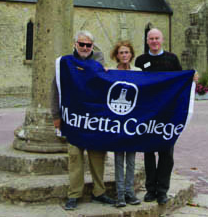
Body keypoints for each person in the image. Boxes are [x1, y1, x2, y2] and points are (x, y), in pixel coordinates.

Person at [52, 30, 115, 210]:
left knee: (97, 157)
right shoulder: (63, 64)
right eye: (82, 44)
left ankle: (99, 192)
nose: (85, 48)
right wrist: (56, 116)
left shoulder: (99, 64)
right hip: (73, 120)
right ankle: (74, 194)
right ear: (75, 44)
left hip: (94, 120)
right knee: (75, 158)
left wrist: (107, 74)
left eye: (89, 45)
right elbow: (55, 90)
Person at [135, 28, 197, 205]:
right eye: (151, 38)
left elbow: (180, 81)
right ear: (147, 41)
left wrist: (191, 77)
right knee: (148, 153)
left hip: (167, 113)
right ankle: (150, 189)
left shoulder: (172, 59)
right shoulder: (141, 60)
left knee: (166, 153)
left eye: (157, 38)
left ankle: (162, 190)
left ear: (162, 40)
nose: (154, 41)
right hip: (147, 113)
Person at [109, 41, 142, 208]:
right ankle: (120, 193)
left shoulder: (138, 72)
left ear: (131, 55)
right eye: (121, 53)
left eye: (127, 52)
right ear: (117, 55)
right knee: (118, 159)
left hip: (131, 123)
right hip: (117, 124)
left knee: (131, 160)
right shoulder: (111, 72)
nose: (124, 55)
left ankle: (130, 192)